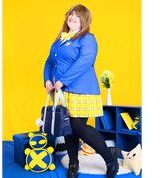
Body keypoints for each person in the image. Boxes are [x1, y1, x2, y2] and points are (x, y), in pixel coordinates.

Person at [44, 4, 121, 178]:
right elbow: (49, 62)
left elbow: (85, 61)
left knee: (78, 126)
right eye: (71, 14)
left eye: (77, 16)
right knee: (68, 128)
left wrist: (62, 80)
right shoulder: (59, 39)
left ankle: (110, 159)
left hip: (81, 89)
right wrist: (47, 79)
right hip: (62, 91)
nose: (72, 17)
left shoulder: (87, 38)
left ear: (84, 20)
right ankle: (73, 163)